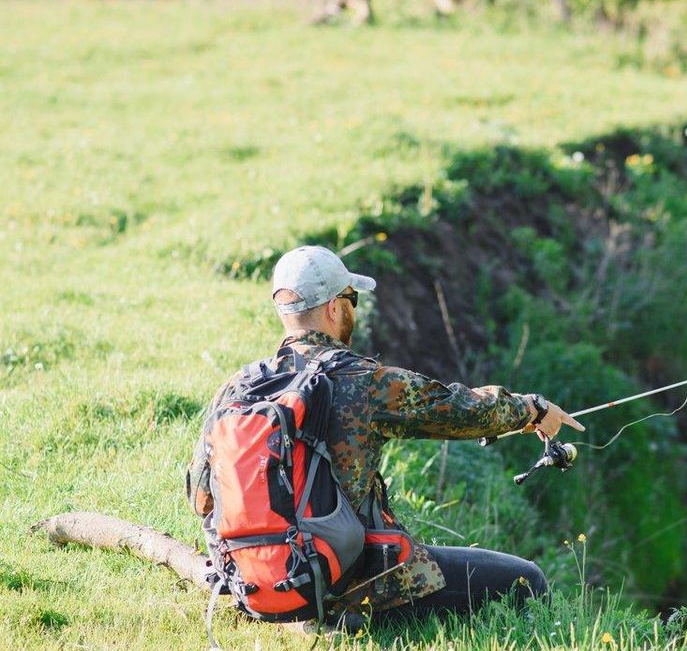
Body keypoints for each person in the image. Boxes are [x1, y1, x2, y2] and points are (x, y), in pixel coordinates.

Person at [185, 245, 583, 625]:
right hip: (356, 584)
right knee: (526, 578)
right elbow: (459, 409)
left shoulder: (240, 387)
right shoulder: (361, 381)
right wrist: (532, 409)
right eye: (352, 299)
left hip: (255, 582)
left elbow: (201, 498)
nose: (352, 310)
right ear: (333, 307)